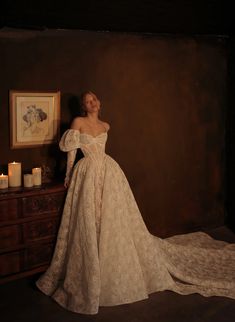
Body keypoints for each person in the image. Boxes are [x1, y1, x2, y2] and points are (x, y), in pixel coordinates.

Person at [36, 91, 235, 315]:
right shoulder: (78, 122)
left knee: (110, 217)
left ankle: (108, 263)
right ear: (83, 106)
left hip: (108, 172)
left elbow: (102, 150)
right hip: (88, 171)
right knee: (90, 218)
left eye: (94, 99)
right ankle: (93, 266)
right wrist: (69, 174)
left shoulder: (106, 125)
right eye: (87, 101)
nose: (92, 103)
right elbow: (72, 151)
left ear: (99, 103)